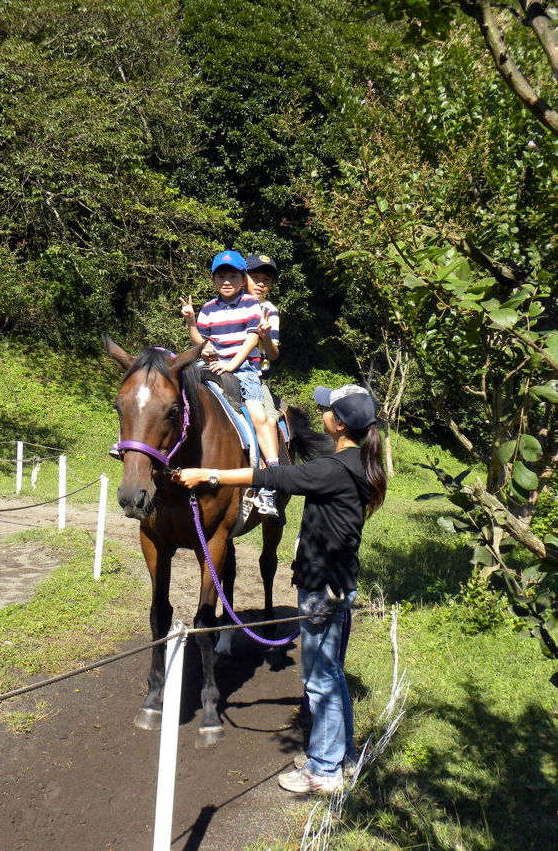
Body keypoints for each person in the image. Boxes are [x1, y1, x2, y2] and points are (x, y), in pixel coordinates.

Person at [172, 383, 387, 794]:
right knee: (333, 676)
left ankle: (323, 771)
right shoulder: (356, 461)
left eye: (327, 410)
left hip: (322, 588)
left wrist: (208, 473)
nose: (321, 412)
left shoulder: (332, 469)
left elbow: (271, 474)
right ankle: (340, 755)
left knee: (320, 679)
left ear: (339, 425)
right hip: (340, 583)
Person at [180, 250, 280, 516]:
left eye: (232, 275)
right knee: (180, 393)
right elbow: (201, 341)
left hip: (244, 369)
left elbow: (251, 340)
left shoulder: (251, 304)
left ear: (241, 278)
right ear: (213, 280)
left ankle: (272, 478)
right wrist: (191, 321)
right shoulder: (208, 309)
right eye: (221, 275)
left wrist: (231, 364)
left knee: (259, 416)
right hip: (213, 366)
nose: (227, 280)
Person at [245, 254, 281, 433]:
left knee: (269, 421)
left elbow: (274, 354)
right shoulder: (229, 304)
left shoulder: (270, 310)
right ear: (243, 277)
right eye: (255, 277)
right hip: (224, 369)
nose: (260, 283)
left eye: (266, 280)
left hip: (256, 376)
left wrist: (265, 335)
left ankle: (274, 461)